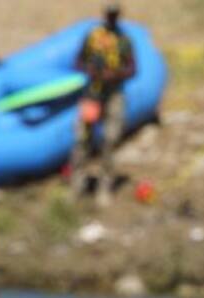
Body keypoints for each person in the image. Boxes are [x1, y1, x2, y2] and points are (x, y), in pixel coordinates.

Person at [70, 3, 136, 206]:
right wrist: (91, 71)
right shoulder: (93, 36)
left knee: (110, 139)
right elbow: (78, 61)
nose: (112, 18)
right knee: (82, 139)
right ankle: (77, 185)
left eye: (115, 14)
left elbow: (132, 68)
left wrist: (114, 75)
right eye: (110, 14)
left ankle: (104, 187)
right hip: (92, 93)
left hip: (114, 93)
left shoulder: (124, 40)